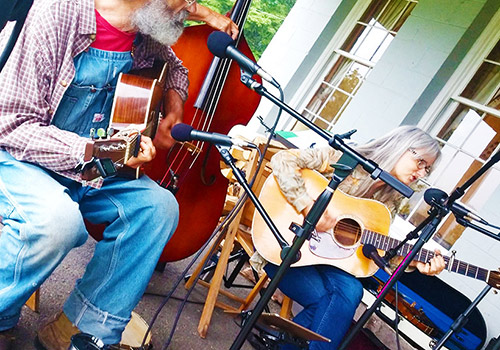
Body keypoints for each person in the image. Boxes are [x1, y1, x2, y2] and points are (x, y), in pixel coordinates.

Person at [0, 0, 238, 349]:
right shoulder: (57, 14)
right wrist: (95, 151)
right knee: (56, 220)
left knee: (158, 208)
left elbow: (176, 69)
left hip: (88, 169)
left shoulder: (142, 32)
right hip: (19, 158)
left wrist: (175, 102)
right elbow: (11, 125)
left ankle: (77, 331)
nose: (191, 5)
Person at [250, 125, 446, 350]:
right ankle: (276, 340)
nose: (421, 174)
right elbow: (283, 160)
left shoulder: (391, 200)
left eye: (427, 169)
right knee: (330, 302)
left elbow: (373, 249)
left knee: (351, 290)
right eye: (421, 163)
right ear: (401, 147)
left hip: (326, 261)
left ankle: (276, 340)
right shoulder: (344, 157)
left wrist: (414, 261)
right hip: (284, 245)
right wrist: (307, 206)